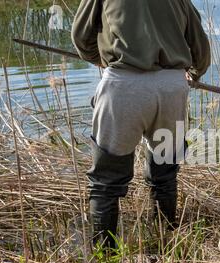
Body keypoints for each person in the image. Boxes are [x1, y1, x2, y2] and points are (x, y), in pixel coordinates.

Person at [71, 0, 211, 248]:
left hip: (124, 83)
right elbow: (200, 48)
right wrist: (194, 73)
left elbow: (81, 37)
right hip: (171, 87)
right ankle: (165, 242)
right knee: (164, 173)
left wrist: (103, 60)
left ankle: (106, 259)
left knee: (106, 181)